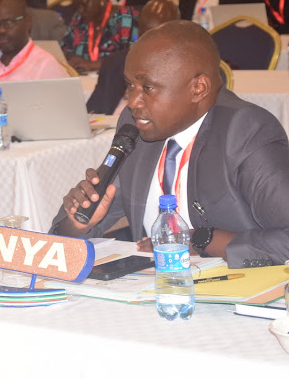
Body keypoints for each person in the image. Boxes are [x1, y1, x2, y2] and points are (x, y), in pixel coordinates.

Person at [52, 20, 289, 268]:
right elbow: (66, 234)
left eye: (148, 87)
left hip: (236, 293)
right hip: (150, 289)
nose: (133, 102)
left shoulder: (244, 131)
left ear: (198, 88)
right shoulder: (135, 126)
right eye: (130, 85)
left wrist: (203, 241)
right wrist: (79, 224)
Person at [86, 0, 180, 115]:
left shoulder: (183, 72)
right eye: (146, 35)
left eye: (159, 36)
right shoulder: (113, 64)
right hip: (110, 130)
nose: (152, 43)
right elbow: (91, 114)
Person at [61, 0, 139, 73]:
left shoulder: (125, 17)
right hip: (83, 81)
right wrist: (71, 58)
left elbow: (134, 56)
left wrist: (95, 65)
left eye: (85, 4)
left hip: (116, 83)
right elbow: (63, 49)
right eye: (76, 6)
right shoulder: (79, 20)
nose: (80, 10)